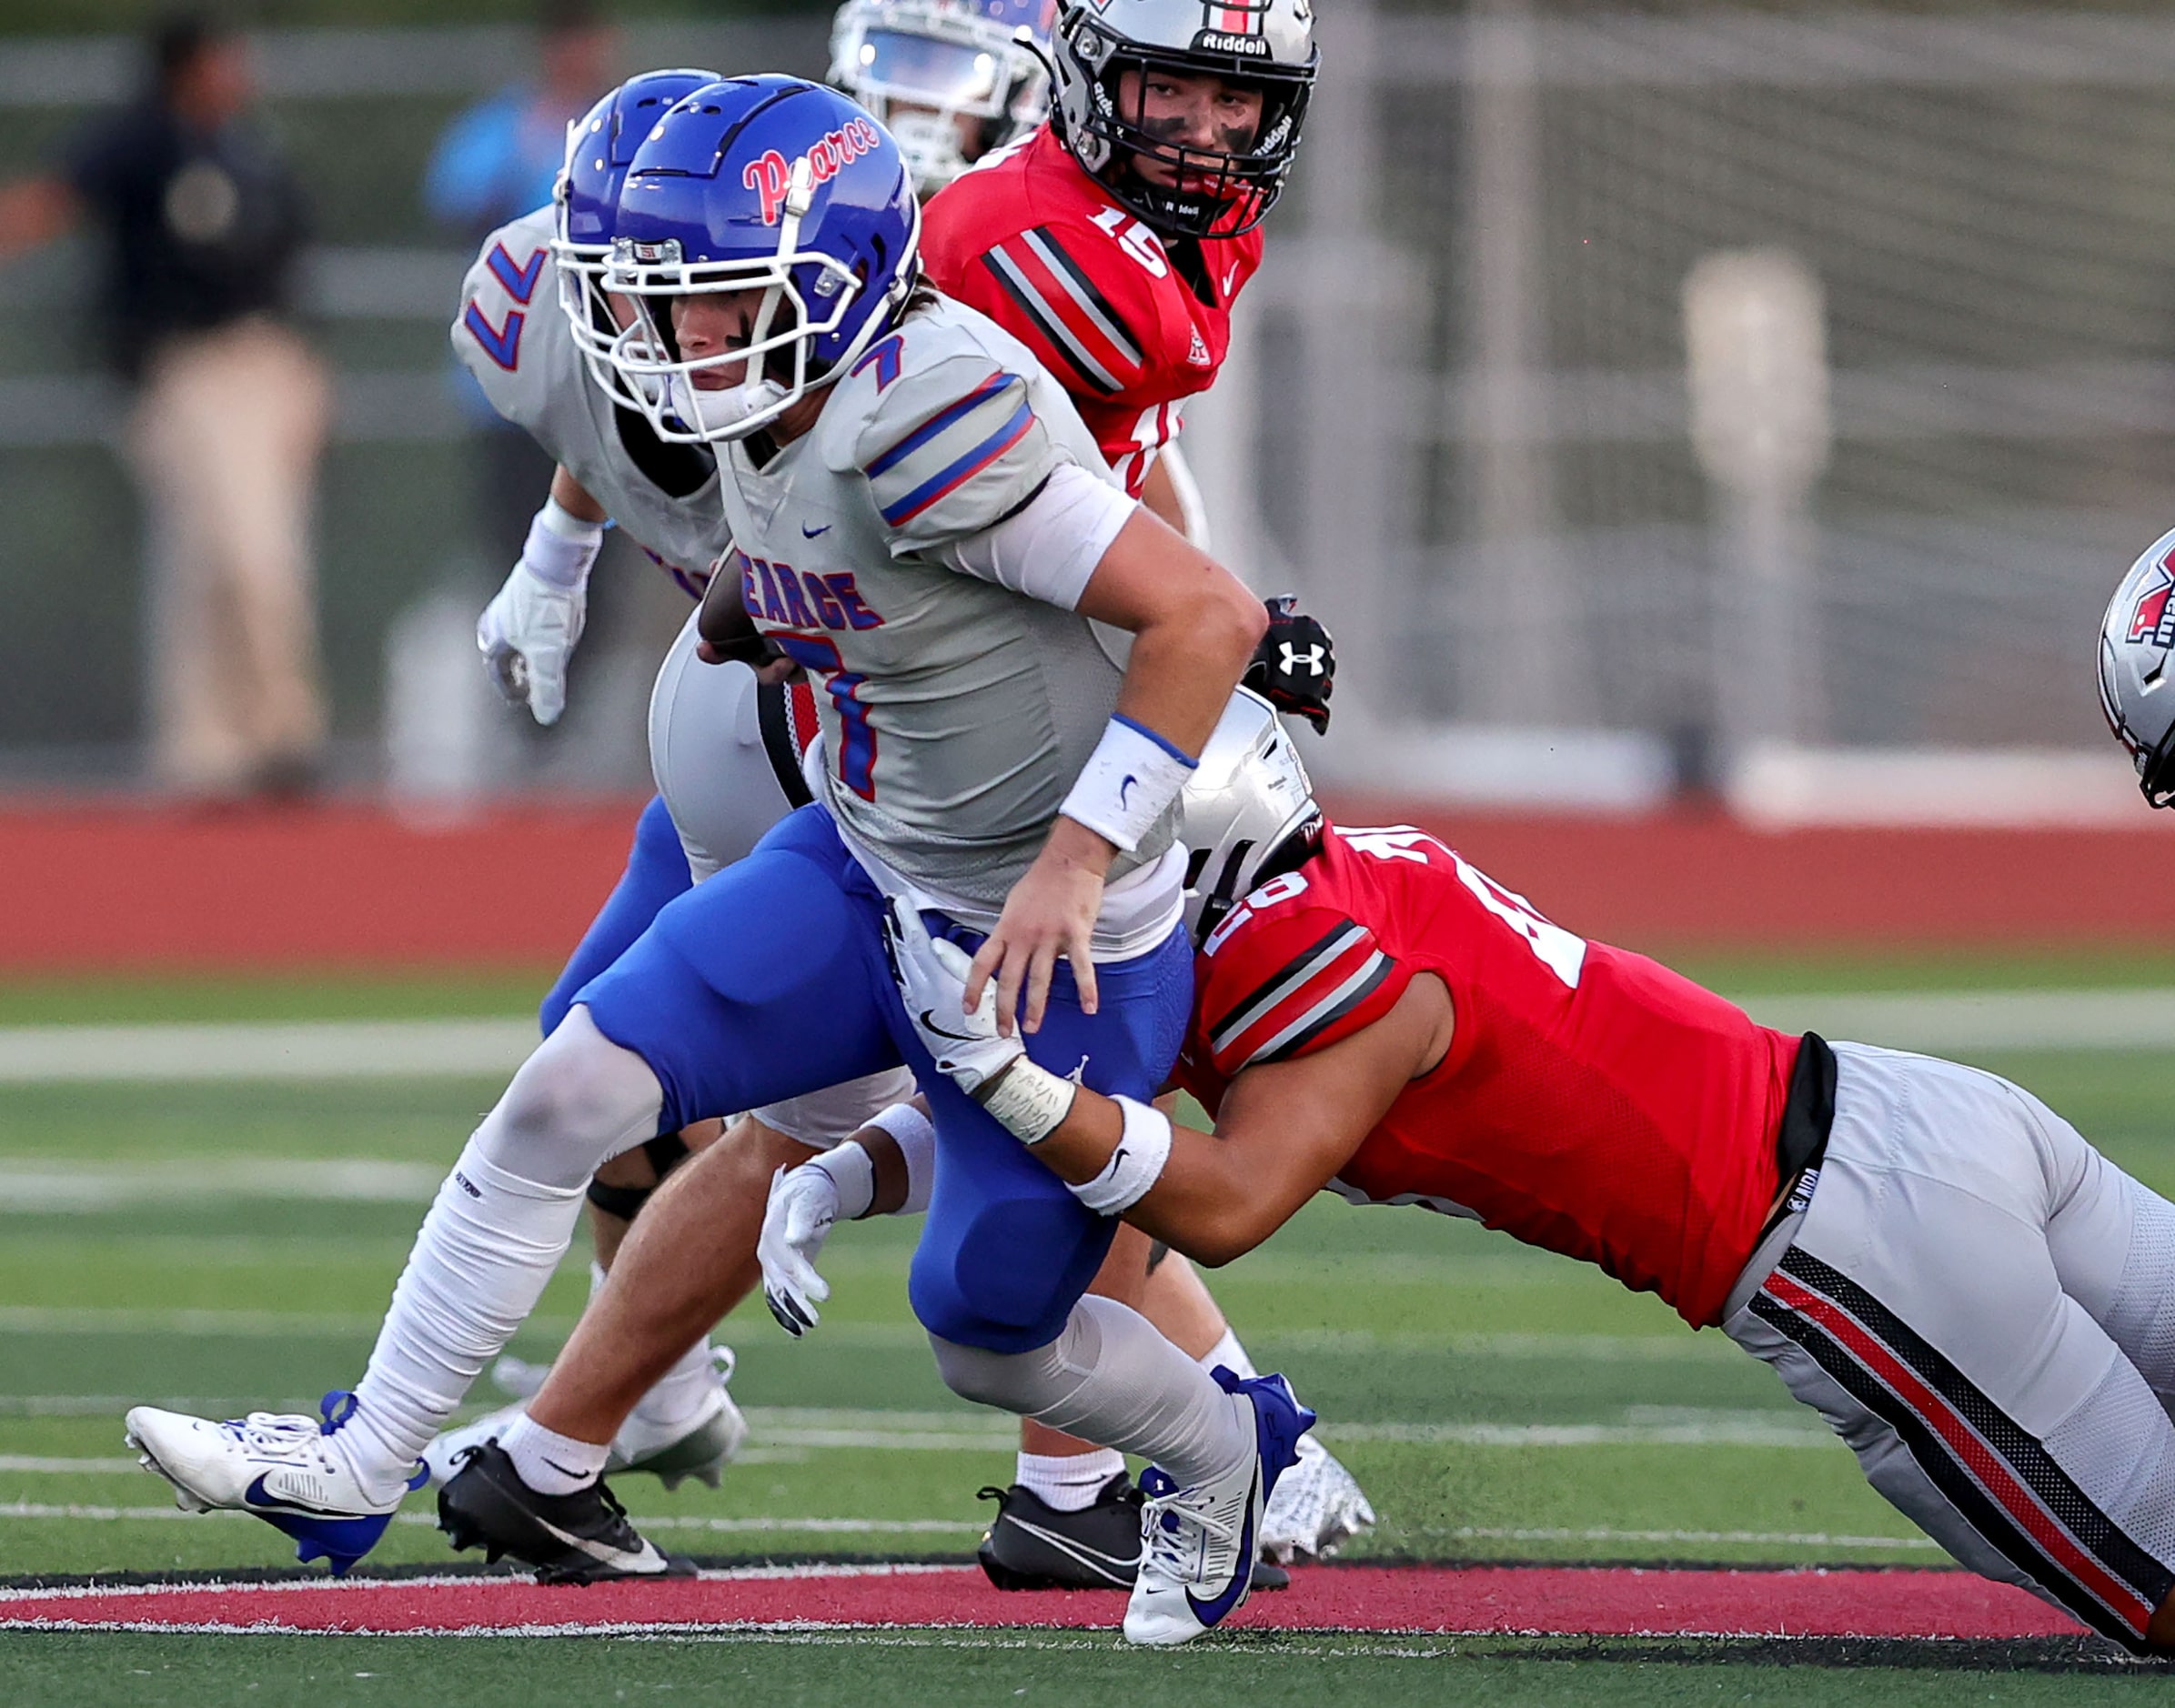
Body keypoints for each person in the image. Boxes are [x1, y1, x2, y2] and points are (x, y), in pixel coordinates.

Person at [123, 77, 1299, 1649]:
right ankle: (358, 1460)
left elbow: (1206, 615)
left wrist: (1077, 860)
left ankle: (1225, 1450)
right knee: (568, 1087)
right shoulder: (748, 389)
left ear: (823, 291)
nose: (664, 349)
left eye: (711, 308)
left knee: (993, 1326)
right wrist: (581, 565)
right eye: (644, 308)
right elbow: (757, 537)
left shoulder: (930, 413)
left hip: (1048, 927)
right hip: (865, 864)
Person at [790, 696, 2175, 1654]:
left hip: (1854, 1255)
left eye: (1101, 842)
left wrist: (995, 1072)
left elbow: (1219, 1200)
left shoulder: (1298, 966)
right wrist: (853, 1175)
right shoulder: (1336, 886)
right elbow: (1084, 1122)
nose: (1074, 876)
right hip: (1925, 1113)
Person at [0, 10, 325, 801]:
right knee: (241, 556)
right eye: (225, 59)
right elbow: (49, 201)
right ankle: (271, 735)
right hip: (191, 369)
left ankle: (218, 749)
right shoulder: (141, 140)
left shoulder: (248, 146)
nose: (241, 72)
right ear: (188, 67)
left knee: (231, 560)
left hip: (267, 363)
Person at [426, 0, 618, 575]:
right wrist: (526, 153)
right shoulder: (501, 127)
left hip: (603, 376)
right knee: (512, 543)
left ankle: (595, 666)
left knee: (604, 555)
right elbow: (454, 212)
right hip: (510, 378)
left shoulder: (623, 125)